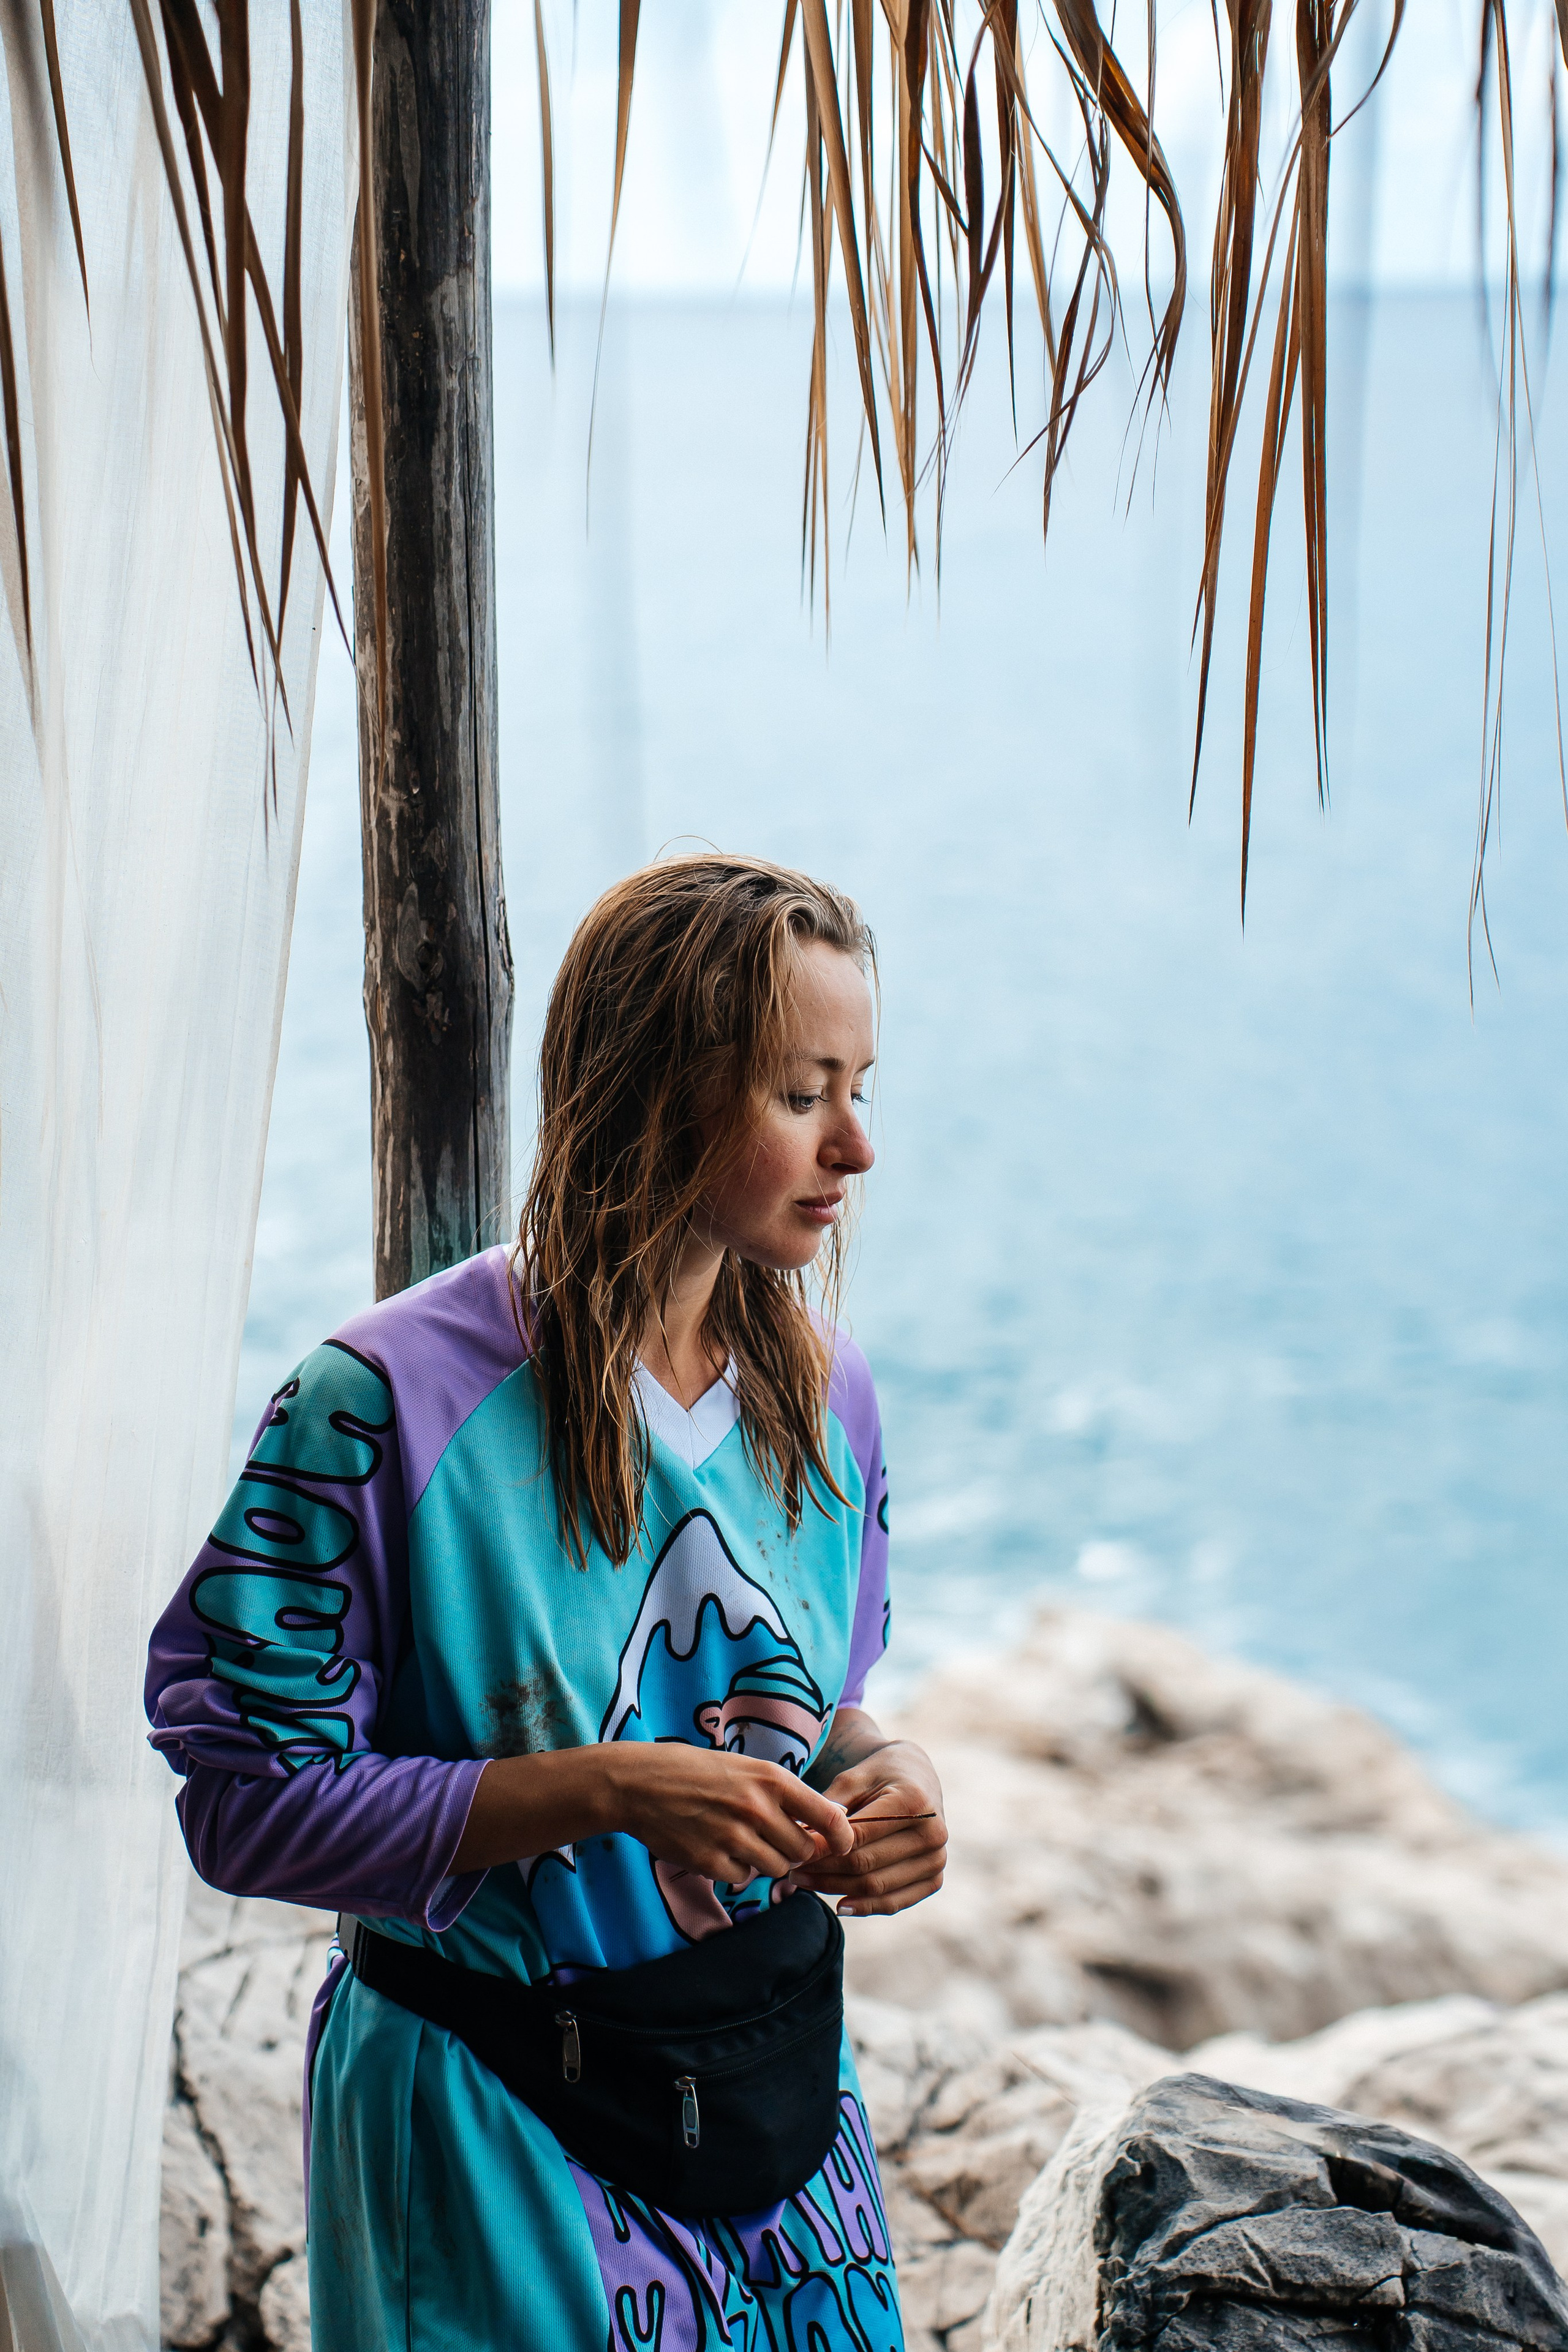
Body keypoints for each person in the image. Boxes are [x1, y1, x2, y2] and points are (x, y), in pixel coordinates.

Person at [145, 854, 946, 2350]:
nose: (855, 1146)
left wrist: (879, 1774)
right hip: (488, 2124)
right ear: (658, 1091)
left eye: (860, 1086)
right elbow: (241, 1806)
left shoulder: (826, 1401)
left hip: (772, 2112)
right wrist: (597, 1792)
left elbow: (816, 1710)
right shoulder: (379, 1405)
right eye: (798, 1094)